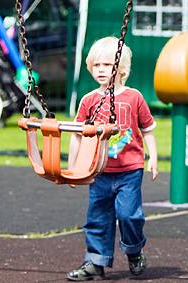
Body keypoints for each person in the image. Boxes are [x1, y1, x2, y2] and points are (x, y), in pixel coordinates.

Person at [66, 36, 158, 281]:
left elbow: (147, 129)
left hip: (129, 169)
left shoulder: (134, 97)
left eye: (107, 64)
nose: (100, 70)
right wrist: (73, 166)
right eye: (96, 65)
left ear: (122, 68)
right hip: (99, 170)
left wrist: (153, 157)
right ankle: (95, 261)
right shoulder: (89, 100)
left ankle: (134, 251)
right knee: (97, 217)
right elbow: (76, 135)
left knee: (129, 215)